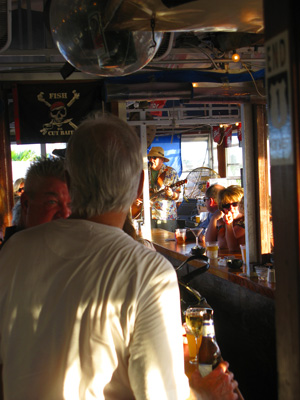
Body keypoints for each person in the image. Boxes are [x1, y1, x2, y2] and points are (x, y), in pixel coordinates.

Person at [0, 113, 238, 400]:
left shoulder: (13, 251)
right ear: (140, 185)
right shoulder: (149, 271)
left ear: (67, 180)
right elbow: (160, 394)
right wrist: (205, 393)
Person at [1, 157, 71, 247]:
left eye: (70, 204)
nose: (65, 214)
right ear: (26, 203)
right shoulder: (7, 256)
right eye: (52, 202)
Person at [138, 146, 181, 232]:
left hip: (166, 216)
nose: (151, 160)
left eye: (154, 157)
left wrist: (171, 194)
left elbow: (178, 196)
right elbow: (137, 190)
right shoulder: (143, 171)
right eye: (150, 157)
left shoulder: (171, 172)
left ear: (162, 159)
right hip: (147, 214)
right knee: (149, 243)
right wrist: (138, 198)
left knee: (167, 243)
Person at [205, 185, 245, 252]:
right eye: (226, 205)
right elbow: (209, 243)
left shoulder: (244, 221)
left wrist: (228, 224)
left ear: (241, 204)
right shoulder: (223, 220)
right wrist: (214, 219)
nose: (231, 208)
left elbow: (223, 244)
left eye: (235, 204)